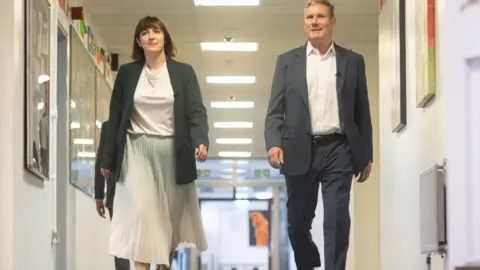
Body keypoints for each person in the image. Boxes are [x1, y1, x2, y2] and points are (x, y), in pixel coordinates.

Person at [264, 1, 373, 270]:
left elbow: (362, 111)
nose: (314, 21)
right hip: (299, 148)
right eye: (310, 17)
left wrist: (366, 156)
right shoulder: (287, 62)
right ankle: (309, 264)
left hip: (339, 149)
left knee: (336, 219)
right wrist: (273, 143)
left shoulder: (353, 61)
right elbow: (274, 111)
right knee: (297, 223)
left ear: (332, 22)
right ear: (304, 22)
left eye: (321, 16)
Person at [100, 15, 209, 270]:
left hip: (171, 151)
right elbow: (115, 118)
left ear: (164, 37)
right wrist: (108, 158)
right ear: (138, 41)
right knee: (143, 213)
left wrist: (201, 139)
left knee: (165, 221)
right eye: (145, 33)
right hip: (136, 148)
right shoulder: (127, 73)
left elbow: (196, 111)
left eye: (156, 31)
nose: (151, 36)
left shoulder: (183, 72)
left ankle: (163, 264)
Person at [94, 120, 131, 270]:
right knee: (121, 243)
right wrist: (98, 196)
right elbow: (101, 159)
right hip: (115, 193)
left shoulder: (143, 122)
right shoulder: (108, 126)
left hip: (141, 191)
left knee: (143, 241)